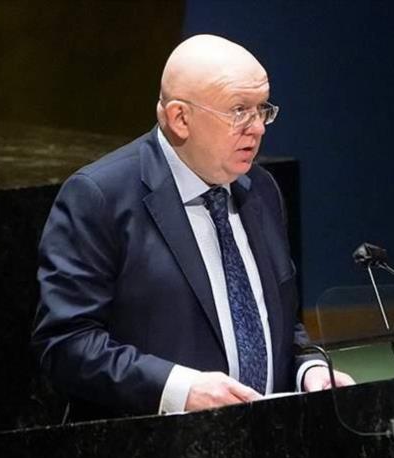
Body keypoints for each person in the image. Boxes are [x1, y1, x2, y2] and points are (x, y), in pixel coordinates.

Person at [31, 34, 353, 421]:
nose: (258, 128)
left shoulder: (262, 189)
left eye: (261, 109)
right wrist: (179, 390)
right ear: (180, 118)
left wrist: (309, 368)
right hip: (151, 446)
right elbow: (67, 344)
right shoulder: (100, 197)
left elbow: (274, 319)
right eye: (239, 111)